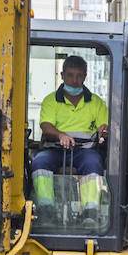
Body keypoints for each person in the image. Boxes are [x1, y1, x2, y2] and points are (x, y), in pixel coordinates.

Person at [33, 55, 109, 222]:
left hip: (84, 151)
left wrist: (104, 130)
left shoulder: (97, 103)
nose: (75, 80)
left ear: (85, 76)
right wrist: (60, 135)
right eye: (70, 75)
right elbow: (46, 126)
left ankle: (90, 212)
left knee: (94, 163)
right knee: (39, 162)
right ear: (62, 76)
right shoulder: (50, 101)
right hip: (55, 150)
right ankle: (46, 210)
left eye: (79, 75)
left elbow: (103, 127)